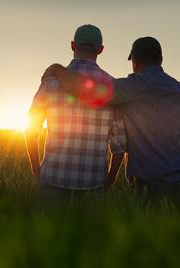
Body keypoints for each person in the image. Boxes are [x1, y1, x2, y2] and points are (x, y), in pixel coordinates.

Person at [43, 36, 180, 204]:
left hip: (149, 188)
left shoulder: (132, 87)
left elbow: (88, 91)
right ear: (160, 60)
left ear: (135, 61)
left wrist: (57, 69)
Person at [24, 24, 127, 206]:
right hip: (94, 184)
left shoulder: (51, 81)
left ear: (72, 46)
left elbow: (31, 128)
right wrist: (109, 181)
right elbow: (119, 144)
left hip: (53, 177)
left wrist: (36, 167)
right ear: (101, 50)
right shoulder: (112, 87)